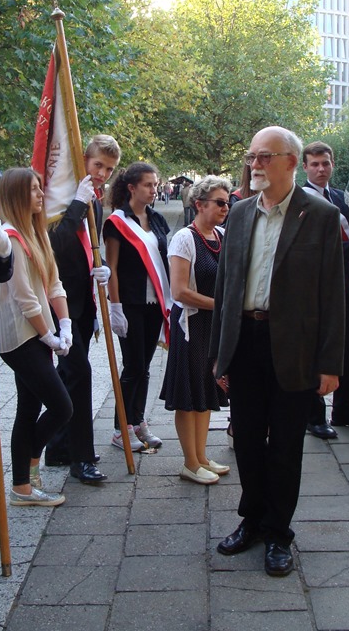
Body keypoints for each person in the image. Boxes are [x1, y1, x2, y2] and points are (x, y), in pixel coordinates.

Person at [210, 126, 344, 577]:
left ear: (290, 161)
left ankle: (278, 533)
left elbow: (332, 296)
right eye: (252, 156)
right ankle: (251, 520)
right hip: (246, 341)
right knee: (247, 440)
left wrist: (330, 364)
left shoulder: (320, 215)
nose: (255, 165)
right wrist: (220, 354)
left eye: (265, 156)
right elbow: (226, 288)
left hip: (295, 349)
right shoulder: (239, 213)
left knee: (285, 446)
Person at [0, 168, 73, 506]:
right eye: (33, 189)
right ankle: (30, 461)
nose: (41, 194)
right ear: (16, 195)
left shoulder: (37, 232)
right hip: (20, 335)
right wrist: (48, 335)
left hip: (37, 332)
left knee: (28, 408)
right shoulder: (9, 237)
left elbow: (53, 283)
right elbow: (24, 298)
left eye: (40, 188)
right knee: (62, 406)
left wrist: (65, 323)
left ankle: (22, 487)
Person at [44, 134, 121, 484]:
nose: (102, 173)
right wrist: (77, 203)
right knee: (80, 375)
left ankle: (59, 446)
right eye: (98, 165)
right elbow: (54, 245)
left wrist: (98, 267)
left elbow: (88, 245)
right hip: (58, 303)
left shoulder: (95, 201)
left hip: (83, 301)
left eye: (109, 169)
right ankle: (81, 457)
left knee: (67, 375)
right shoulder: (62, 197)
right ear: (83, 160)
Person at [301, 141, 349, 438]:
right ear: (305, 167)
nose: (321, 169)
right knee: (317, 347)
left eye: (326, 163)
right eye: (315, 164)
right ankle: (314, 415)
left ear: (332, 165)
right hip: (312, 284)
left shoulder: (340, 198)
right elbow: (314, 247)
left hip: (343, 281)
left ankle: (345, 409)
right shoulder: (300, 200)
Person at [160, 176, 232, 484]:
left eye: (227, 203)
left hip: (212, 325)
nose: (225, 208)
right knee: (189, 394)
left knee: (205, 389)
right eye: (219, 202)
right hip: (190, 324)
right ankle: (189, 462)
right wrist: (221, 306)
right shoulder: (184, 238)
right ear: (199, 205)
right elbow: (179, 292)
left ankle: (201, 456)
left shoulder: (223, 235)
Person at [103, 162, 171, 451]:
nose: (154, 190)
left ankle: (138, 420)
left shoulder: (157, 219)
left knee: (144, 367)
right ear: (131, 188)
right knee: (133, 366)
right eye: (148, 185)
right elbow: (112, 268)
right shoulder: (116, 223)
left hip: (155, 303)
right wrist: (115, 307)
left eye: (155, 184)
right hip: (130, 303)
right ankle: (121, 428)